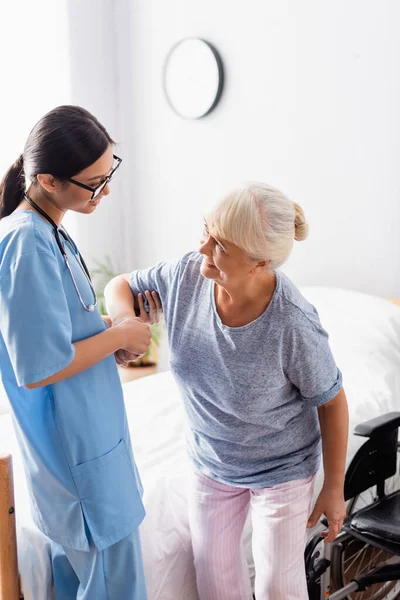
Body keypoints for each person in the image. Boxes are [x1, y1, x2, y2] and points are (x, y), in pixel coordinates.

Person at [105, 183, 349, 600]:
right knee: (215, 583)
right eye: (205, 230)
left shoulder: (292, 324)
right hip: (211, 460)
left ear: (260, 262)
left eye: (220, 245)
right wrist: (128, 326)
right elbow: (121, 286)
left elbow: (331, 402)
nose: (203, 248)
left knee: (277, 586)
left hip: (281, 469)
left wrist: (333, 488)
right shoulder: (186, 275)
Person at [0, 105, 152, 599]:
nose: (105, 191)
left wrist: (111, 331)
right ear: (45, 179)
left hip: (85, 450)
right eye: (93, 183)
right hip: (79, 459)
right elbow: (38, 368)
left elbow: (56, 332)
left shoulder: (48, 232)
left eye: (109, 173)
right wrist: (118, 337)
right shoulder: (26, 242)